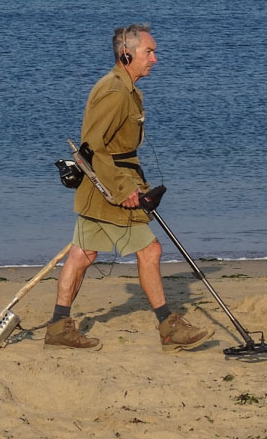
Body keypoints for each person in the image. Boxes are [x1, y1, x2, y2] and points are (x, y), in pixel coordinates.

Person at [45, 23, 214, 352]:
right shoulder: (115, 92)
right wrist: (124, 190)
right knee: (149, 250)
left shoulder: (126, 89)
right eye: (149, 52)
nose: (155, 59)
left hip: (107, 186)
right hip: (111, 190)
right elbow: (92, 147)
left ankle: (57, 327)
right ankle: (168, 328)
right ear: (126, 55)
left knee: (83, 253)